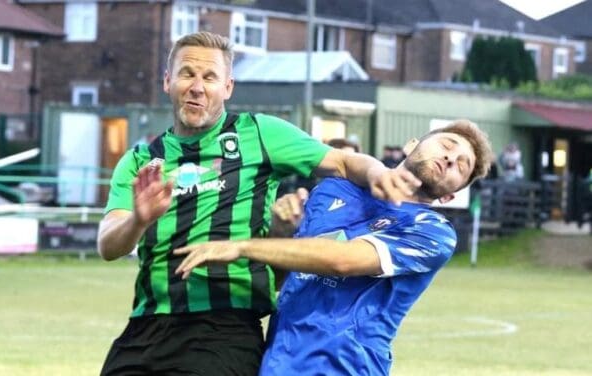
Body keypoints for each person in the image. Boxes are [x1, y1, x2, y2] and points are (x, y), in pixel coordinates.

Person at [97, 31, 421, 376]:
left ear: (228, 88)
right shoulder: (141, 160)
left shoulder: (260, 133)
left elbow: (342, 162)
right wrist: (139, 220)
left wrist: (378, 173)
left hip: (225, 327)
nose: (197, 86)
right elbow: (108, 245)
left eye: (209, 77)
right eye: (187, 73)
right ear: (167, 81)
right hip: (145, 328)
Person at [173, 119, 493, 375]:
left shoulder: (433, 233)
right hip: (279, 360)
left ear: (449, 197)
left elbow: (341, 261)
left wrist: (243, 246)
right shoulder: (332, 190)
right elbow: (285, 281)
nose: (451, 158)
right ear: (412, 145)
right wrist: (284, 232)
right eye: (447, 145)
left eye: (461, 166)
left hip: (346, 366)